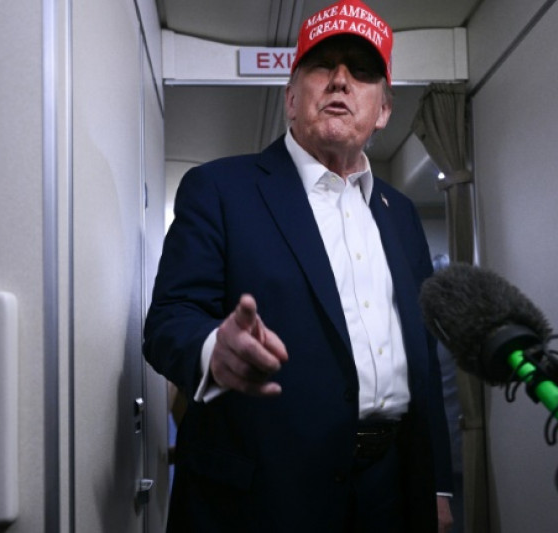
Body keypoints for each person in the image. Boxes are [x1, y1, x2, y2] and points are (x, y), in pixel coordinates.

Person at [143, 0, 453, 530]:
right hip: (264, 495)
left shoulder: (399, 213)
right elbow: (169, 320)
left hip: (391, 489)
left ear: (383, 111)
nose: (340, 80)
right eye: (321, 66)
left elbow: (421, 355)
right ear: (291, 98)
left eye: (361, 71)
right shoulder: (220, 189)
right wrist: (214, 350)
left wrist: (437, 483)